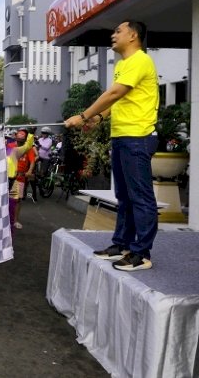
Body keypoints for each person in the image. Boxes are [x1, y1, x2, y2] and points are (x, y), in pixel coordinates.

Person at [65, 20, 159, 272]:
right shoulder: (123, 64)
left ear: (133, 35)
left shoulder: (140, 60)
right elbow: (118, 100)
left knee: (141, 198)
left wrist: (83, 115)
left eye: (118, 31)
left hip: (137, 137)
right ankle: (121, 245)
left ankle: (141, 254)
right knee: (125, 197)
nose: (113, 34)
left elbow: (114, 93)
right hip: (122, 137)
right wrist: (98, 117)